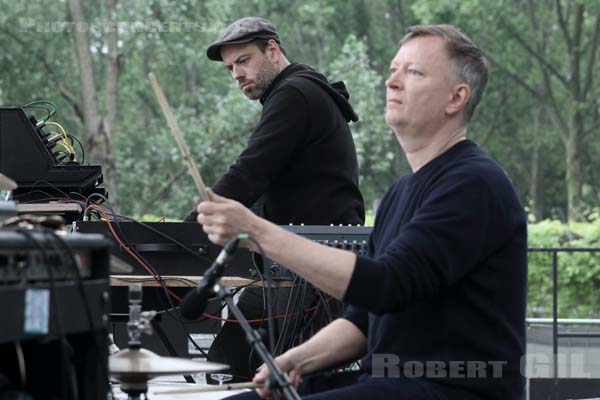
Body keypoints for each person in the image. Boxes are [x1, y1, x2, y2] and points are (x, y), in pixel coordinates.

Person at [196, 24, 527, 400]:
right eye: (393, 70)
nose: (393, 83)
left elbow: (387, 285)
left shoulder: (474, 184)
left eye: (414, 72)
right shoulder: (403, 191)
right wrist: (297, 360)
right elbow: (365, 317)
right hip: (391, 383)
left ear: (456, 98)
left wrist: (257, 232)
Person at [185, 17, 365, 382]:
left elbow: (248, 174)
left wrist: (184, 232)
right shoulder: (301, 92)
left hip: (309, 271)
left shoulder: (294, 94)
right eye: (230, 67)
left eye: (244, 60)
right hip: (300, 264)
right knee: (228, 359)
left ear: (272, 49)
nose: (236, 74)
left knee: (229, 365)